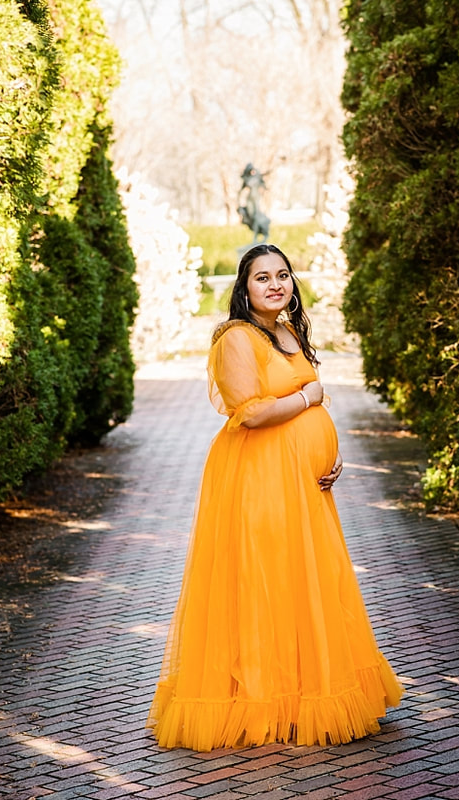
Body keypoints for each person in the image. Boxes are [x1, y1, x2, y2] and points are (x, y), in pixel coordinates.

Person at [147, 243, 402, 751]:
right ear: (243, 288)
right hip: (259, 479)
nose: (274, 285)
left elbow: (299, 409)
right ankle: (264, 699)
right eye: (261, 277)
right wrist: (313, 397)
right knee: (264, 580)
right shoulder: (236, 338)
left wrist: (327, 453)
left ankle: (300, 691)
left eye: (282, 275)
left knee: (302, 581)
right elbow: (255, 412)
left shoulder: (286, 331)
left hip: (303, 484)